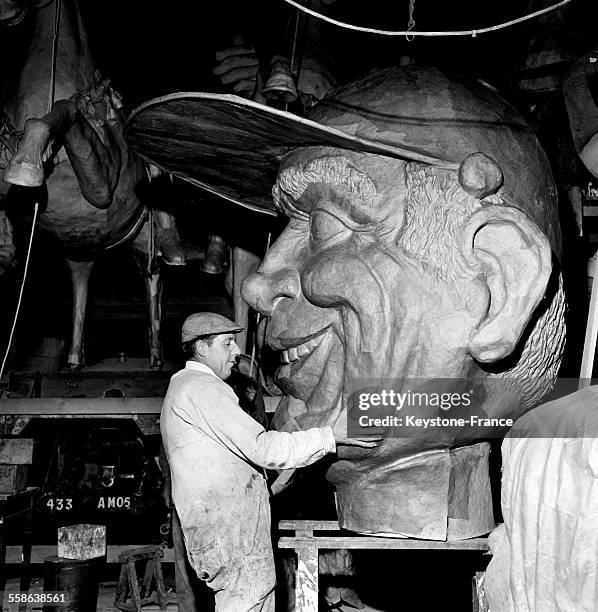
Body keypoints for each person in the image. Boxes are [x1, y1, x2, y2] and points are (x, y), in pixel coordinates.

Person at [160, 311, 376, 611]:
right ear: (201, 347)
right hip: (232, 536)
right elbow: (262, 448)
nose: (237, 352)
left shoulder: (181, 388)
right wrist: (329, 436)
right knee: (248, 600)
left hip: (220, 532)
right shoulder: (202, 389)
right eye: (227, 343)